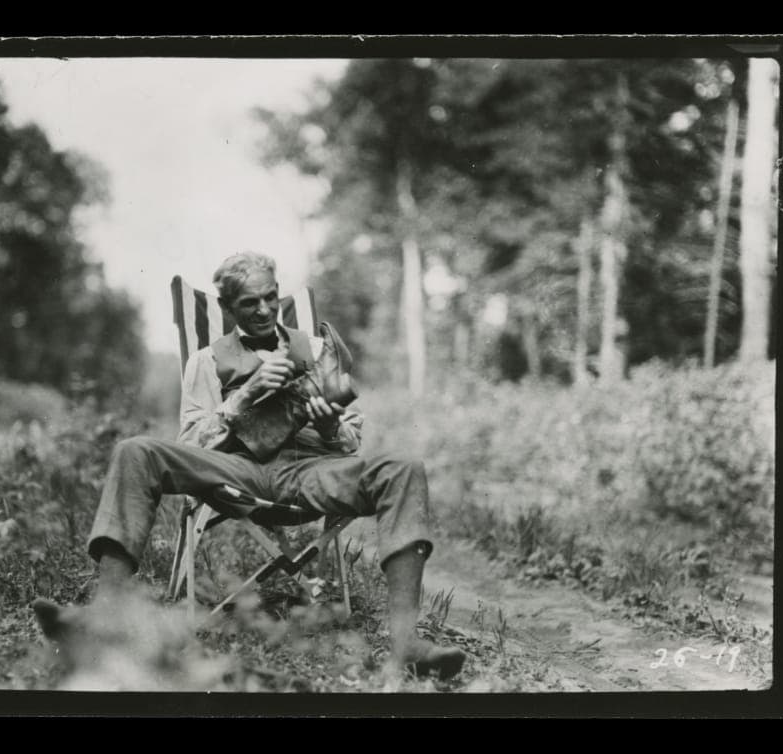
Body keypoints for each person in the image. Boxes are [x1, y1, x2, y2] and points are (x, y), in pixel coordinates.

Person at [33, 252, 465, 680]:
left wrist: (331, 425)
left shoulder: (316, 348)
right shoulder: (205, 360)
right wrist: (243, 397)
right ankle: (102, 619)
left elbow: (351, 439)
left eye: (270, 298)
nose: (263, 310)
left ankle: (406, 643)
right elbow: (192, 444)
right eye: (249, 303)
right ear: (226, 308)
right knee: (135, 450)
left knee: (403, 467)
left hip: (310, 470)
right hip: (237, 471)